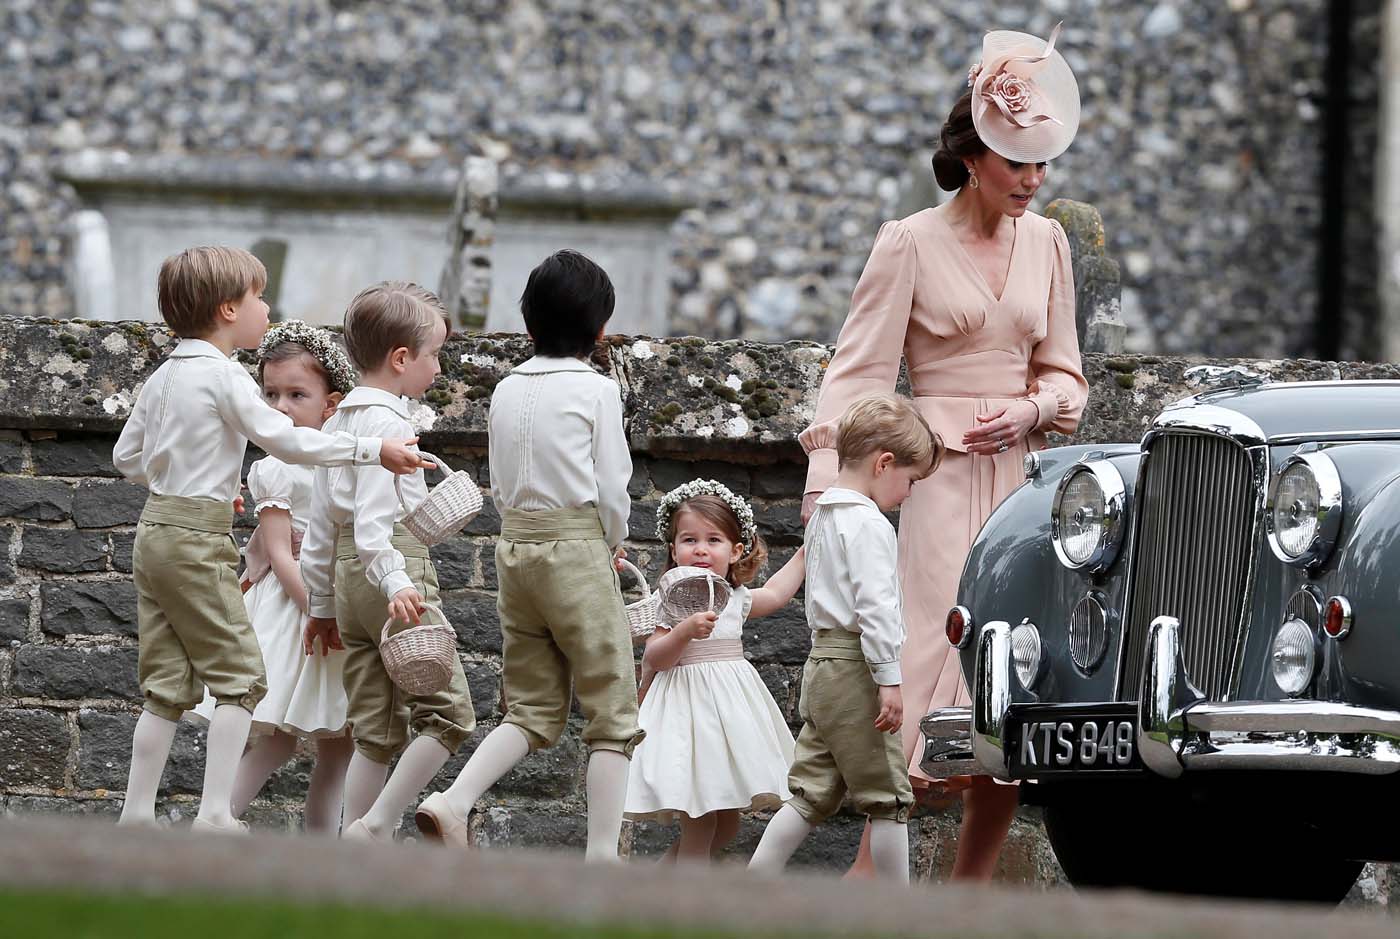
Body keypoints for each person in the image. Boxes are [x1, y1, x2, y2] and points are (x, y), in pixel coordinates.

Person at [801, 24, 1088, 880]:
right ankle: (871, 878)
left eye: (1042, 166)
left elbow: (1069, 379)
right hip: (931, 483)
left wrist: (1032, 406)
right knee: (929, 655)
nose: (1033, 183)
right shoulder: (909, 242)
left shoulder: (1049, 243)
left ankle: (967, 897)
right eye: (1016, 165)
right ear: (973, 157)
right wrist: (829, 490)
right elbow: (854, 374)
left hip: (1022, 484)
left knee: (1015, 668)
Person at [112, 247, 430, 833]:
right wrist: (370, 449)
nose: (266, 309)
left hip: (155, 527)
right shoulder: (225, 376)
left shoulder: (163, 375)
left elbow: (126, 457)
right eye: (259, 298)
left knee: (164, 684)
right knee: (240, 678)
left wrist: (194, 481)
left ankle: (135, 814)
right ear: (230, 309)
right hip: (194, 538)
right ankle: (214, 813)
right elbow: (287, 443)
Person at [415, 250, 641, 862]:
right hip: (575, 548)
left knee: (533, 706)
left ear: (528, 322)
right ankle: (601, 856)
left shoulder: (508, 388)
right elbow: (612, 483)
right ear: (599, 330)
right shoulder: (596, 390)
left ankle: (455, 799)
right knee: (612, 708)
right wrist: (611, 539)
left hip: (515, 548)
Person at [299, 282, 477, 842]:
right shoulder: (390, 426)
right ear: (402, 359)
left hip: (349, 583)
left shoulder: (339, 423)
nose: (439, 368)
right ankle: (375, 825)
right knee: (449, 715)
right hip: (391, 573)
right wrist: (397, 580)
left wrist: (323, 605)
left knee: (373, 725)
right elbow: (378, 521)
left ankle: (355, 841)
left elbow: (324, 522)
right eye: (434, 355)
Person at [750, 393, 942, 882]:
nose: (910, 492)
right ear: (884, 463)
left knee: (811, 791)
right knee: (889, 797)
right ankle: (897, 909)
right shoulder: (868, 523)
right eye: (911, 480)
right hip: (857, 667)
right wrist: (889, 679)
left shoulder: (823, 517)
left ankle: (753, 882)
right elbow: (875, 609)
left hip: (822, 667)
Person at [187, 321, 358, 832]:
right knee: (279, 737)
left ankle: (322, 852)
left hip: (331, 602)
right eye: (271, 394)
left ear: (331, 404)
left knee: (340, 741)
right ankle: (215, 817)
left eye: (297, 394)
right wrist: (318, 608)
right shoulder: (275, 468)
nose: (281, 407)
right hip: (295, 611)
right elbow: (281, 556)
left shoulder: (337, 462)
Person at [625, 479, 804, 863]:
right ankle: (687, 908)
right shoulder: (669, 599)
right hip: (689, 714)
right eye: (689, 540)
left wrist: (807, 552)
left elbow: (774, 594)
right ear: (673, 550)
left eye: (714, 540)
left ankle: (654, 889)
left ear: (736, 550)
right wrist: (685, 632)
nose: (701, 549)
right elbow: (656, 656)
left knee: (727, 826)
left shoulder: (735, 596)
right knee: (701, 818)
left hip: (729, 712)